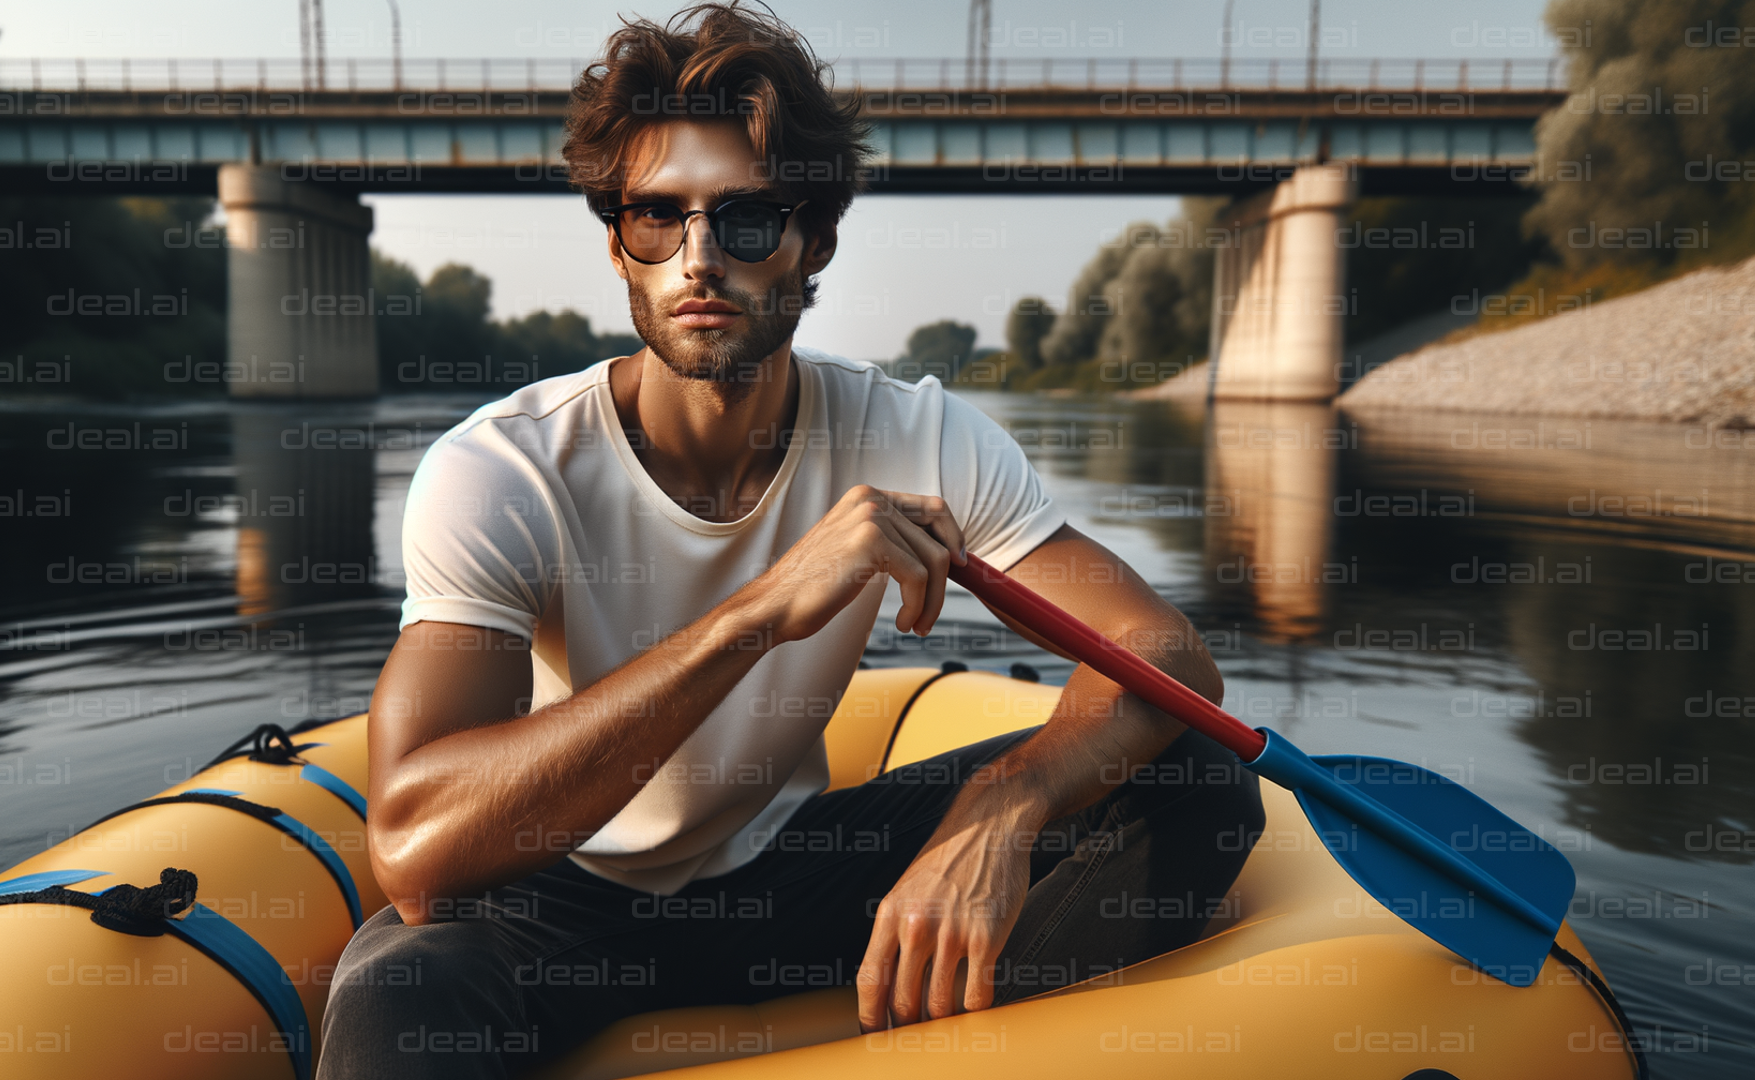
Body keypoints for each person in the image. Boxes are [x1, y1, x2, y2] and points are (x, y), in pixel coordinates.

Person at [318, 4, 1262, 1076]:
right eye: (656, 218)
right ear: (619, 245)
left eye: (747, 219)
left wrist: (1003, 807)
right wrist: (758, 614)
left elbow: (1165, 653)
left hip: (795, 869)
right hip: (558, 896)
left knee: (1194, 777)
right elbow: (415, 855)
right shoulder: (505, 470)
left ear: (814, 241)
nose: (698, 258)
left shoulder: (913, 434)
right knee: (400, 985)